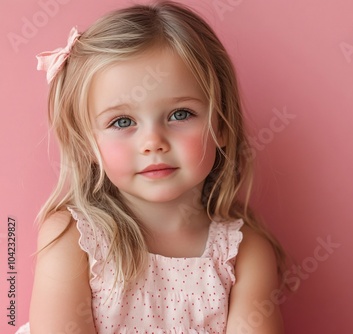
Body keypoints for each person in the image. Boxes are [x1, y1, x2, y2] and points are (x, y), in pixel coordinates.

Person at [16, 1, 288, 333]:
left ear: (221, 125)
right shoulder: (74, 239)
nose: (152, 142)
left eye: (180, 114)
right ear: (87, 143)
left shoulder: (244, 253)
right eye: (122, 121)